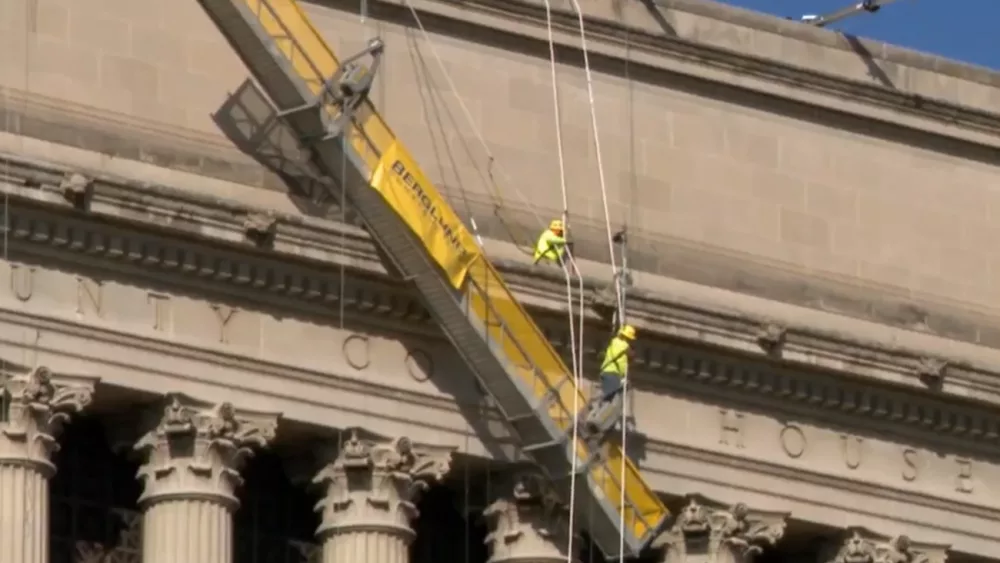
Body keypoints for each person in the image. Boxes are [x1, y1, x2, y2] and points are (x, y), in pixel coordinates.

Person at [597, 324, 636, 405]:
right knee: (608, 400)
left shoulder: (613, 341)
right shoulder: (625, 346)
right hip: (613, 374)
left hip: (605, 371)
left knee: (608, 396)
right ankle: (601, 402)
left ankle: (599, 402)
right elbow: (632, 356)